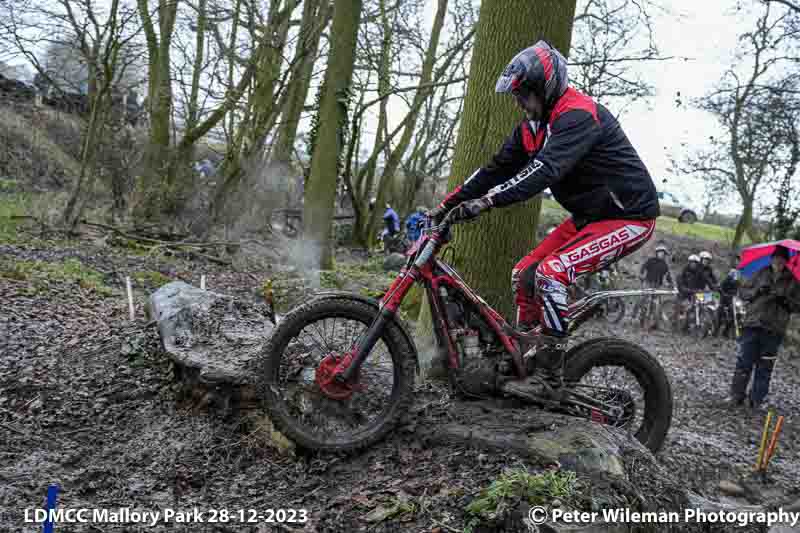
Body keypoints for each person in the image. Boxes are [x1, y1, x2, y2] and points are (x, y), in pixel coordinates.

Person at [429, 40, 659, 384]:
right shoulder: (532, 127)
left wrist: (489, 201)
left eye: (524, 94)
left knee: (552, 273)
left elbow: (545, 169)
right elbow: (495, 169)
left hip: (629, 217)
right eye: (516, 95)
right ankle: (526, 354)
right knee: (524, 273)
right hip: (590, 217)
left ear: (545, 88)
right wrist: (448, 203)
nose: (519, 102)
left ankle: (549, 374)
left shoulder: (578, 114)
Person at [728, 245, 800, 408]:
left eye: (782, 259)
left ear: (786, 261)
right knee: (744, 361)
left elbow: (797, 305)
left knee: (765, 366)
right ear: (772, 258)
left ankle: (756, 400)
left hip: (774, 329)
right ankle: (736, 395)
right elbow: (743, 293)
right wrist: (758, 292)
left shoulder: (792, 281)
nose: (778, 261)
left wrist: (785, 301)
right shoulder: (760, 273)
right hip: (753, 323)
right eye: (776, 258)